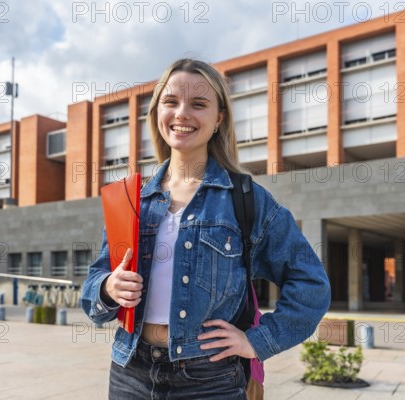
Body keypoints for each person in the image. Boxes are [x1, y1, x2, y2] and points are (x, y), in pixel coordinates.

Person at [81, 58, 331, 399]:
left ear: (218, 119)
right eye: (171, 102)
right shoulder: (131, 199)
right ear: (157, 112)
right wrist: (108, 287)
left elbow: (311, 284)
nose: (182, 113)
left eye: (198, 104)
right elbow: (94, 285)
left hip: (210, 379)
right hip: (130, 373)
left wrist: (256, 341)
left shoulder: (248, 200)